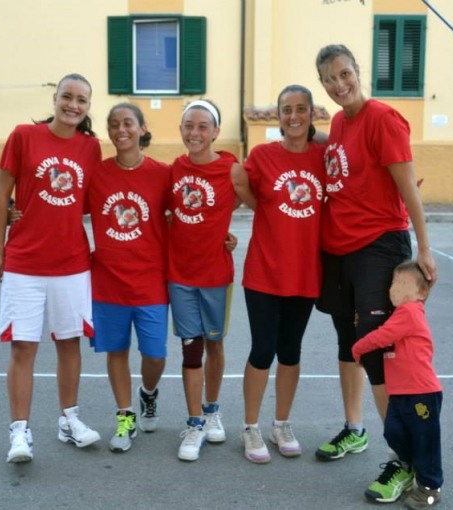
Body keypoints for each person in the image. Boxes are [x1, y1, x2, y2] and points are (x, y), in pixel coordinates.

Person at [312, 43, 438, 472]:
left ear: (358, 71)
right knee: (350, 343)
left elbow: (409, 189)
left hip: (379, 245)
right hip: (340, 249)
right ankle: (355, 427)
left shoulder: (384, 119)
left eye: (344, 74)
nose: (339, 84)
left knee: (380, 350)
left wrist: (423, 247)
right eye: (330, 79)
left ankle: (401, 457)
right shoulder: (341, 123)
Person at [0, 73, 101, 463]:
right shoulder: (24, 136)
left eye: (81, 100)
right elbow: (3, 192)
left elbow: (90, 201)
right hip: (24, 262)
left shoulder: (91, 148)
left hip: (71, 263)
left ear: (88, 107)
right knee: (23, 346)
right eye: (67, 97)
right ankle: (20, 431)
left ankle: (69, 419)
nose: (73, 105)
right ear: (54, 99)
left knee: (69, 343)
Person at [231, 85, 325, 464]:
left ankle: (281, 423)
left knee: (291, 351)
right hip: (265, 272)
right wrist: (259, 209)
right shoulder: (263, 156)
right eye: (287, 110)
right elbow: (236, 182)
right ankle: (250, 426)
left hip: (305, 272)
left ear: (311, 114)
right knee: (262, 350)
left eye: (301, 109)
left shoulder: (324, 157)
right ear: (278, 116)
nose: (293, 116)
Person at [86, 103, 171, 453]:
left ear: (141, 128)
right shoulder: (96, 174)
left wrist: (221, 238)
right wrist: (18, 210)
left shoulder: (162, 173)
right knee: (116, 352)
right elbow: (60, 206)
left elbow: (190, 214)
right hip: (108, 281)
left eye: (128, 123)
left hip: (151, 280)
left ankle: (148, 394)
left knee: (155, 355)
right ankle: (125, 416)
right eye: (113, 124)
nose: (121, 130)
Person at [168, 99, 240, 461]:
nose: (194, 133)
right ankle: (194, 422)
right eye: (188, 126)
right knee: (190, 348)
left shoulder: (231, 168)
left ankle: (212, 409)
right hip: (180, 275)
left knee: (215, 344)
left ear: (214, 131)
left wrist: (227, 233)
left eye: (202, 127)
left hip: (216, 276)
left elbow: (255, 201)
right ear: (181, 130)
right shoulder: (174, 170)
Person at [352, 261, 443, 508]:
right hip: (401, 392)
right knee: (393, 431)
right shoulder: (400, 313)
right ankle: (410, 466)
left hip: (421, 392)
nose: (396, 289)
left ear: (422, 294)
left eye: (405, 284)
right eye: (394, 283)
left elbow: (383, 336)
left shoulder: (411, 312)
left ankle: (430, 488)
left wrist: (358, 348)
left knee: (426, 440)